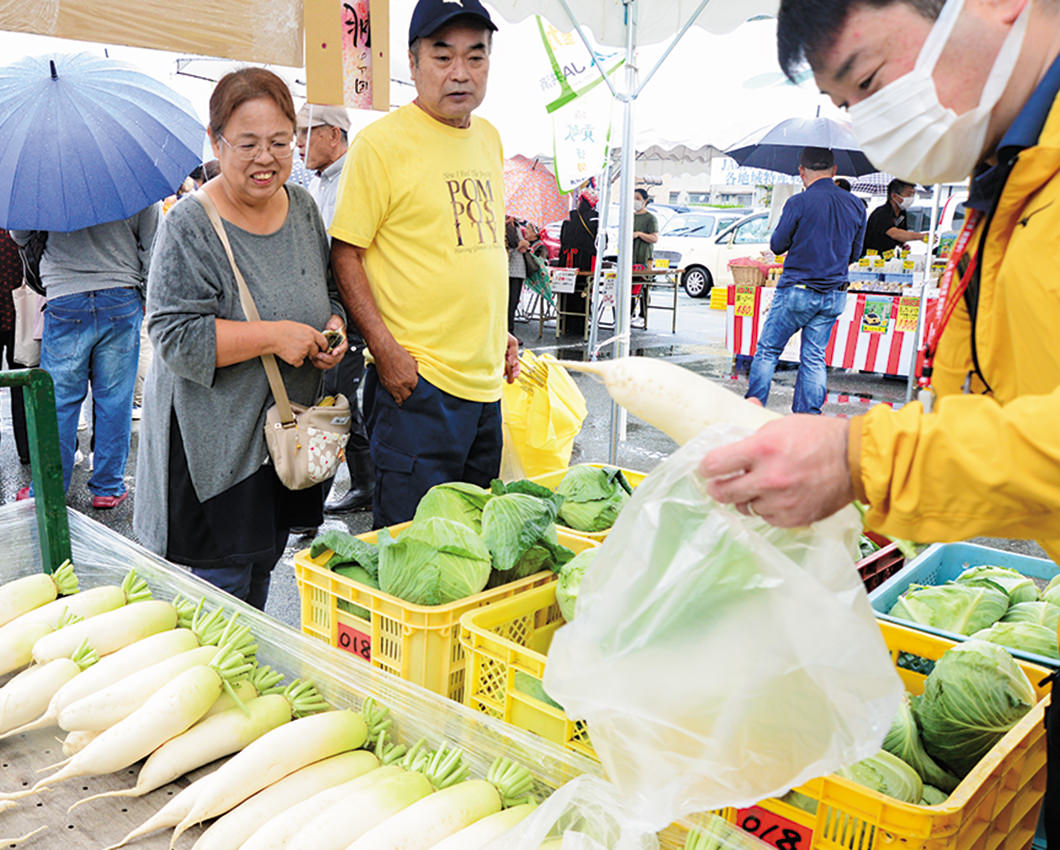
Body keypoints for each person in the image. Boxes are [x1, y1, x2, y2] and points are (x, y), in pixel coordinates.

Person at [133, 68, 348, 610]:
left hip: (286, 444)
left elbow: (327, 292)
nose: (266, 158)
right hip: (217, 455)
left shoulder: (301, 209)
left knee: (261, 579)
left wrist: (336, 326)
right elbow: (174, 335)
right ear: (216, 141)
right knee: (219, 605)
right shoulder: (190, 224)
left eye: (280, 142)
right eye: (247, 143)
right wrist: (273, 337)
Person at [328, 0, 520, 529]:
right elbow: (346, 252)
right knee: (412, 549)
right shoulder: (382, 145)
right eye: (442, 56)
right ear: (412, 64)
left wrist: (498, 333)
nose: (460, 73)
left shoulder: (489, 138)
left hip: (485, 390)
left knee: (470, 543)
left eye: (475, 57)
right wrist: (385, 351)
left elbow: (475, 248)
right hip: (417, 388)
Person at [12, 204, 159, 508]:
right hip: (121, 293)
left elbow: (20, 234)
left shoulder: (48, 180)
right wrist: (143, 295)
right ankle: (108, 486)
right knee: (115, 399)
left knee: (60, 401)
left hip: (65, 295)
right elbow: (152, 243)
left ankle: (48, 488)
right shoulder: (133, 177)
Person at [295, 102, 373, 516]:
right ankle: (362, 484)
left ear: (333, 134)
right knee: (336, 397)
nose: (297, 143)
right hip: (328, 307)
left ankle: (317, 502)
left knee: (339, 399)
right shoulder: (318, 182)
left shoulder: (355, 178)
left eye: (305, 132)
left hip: (352, 311)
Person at [745, 147, 866, 415]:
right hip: (835, 293)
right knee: (814, 356)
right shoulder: (856, 204)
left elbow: (777, 245)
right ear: (834, 171)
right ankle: (808, 417)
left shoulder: (798, 202)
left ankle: (753, 410)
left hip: (797, 290)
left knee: (768, 351)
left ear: (801, 171)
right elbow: (856, 253)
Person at [0, 229, 29, 465]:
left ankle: (28, 448)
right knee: (22, 382)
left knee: (23, 382)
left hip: (19, 311)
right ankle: (27, 448)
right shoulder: (18, 215)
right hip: (20, 311)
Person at [558, 183, 599, 335]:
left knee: (567, 291)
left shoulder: (570, 216)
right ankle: (580, 325)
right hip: (586, 262)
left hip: (567, 261)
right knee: (583, 291)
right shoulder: (596, 218)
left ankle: (563, 323)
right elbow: (601, 242)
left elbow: (563, 238)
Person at [863, 178, 929, 254]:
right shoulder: (882, 213)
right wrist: (920, 236)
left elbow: (902, 235)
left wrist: (901, 244)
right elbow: (894, 233)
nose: (911, 198)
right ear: (894, 196)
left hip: (889, 256)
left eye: (913, 195)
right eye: (909, 195)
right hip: (872, 258)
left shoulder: (902, 213)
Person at [505, 215, 531, 333]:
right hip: (510, 269)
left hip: (518, 270)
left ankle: (509, 330)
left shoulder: (516, 226)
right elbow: (512, 246)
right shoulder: (506, 226)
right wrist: (522, 244)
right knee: (510, 302)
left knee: (513, 302)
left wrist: (524, 244)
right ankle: (509, 331)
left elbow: (521, 246)